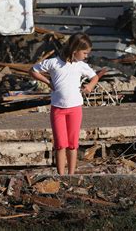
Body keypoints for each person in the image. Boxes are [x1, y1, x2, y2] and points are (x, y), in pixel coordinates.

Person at [29, 33, 99, 175]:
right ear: (75, 50)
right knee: (60, 144)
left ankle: (71, 175)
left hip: (75, 109)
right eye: (85, 53)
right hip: (58, 110)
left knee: (73, 145)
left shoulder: (81, 66)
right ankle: (61, 175)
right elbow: (33, 70)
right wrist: (48, 82)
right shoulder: (54, 62)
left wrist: (90, 86)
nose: (86, 56)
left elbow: (95, 77)